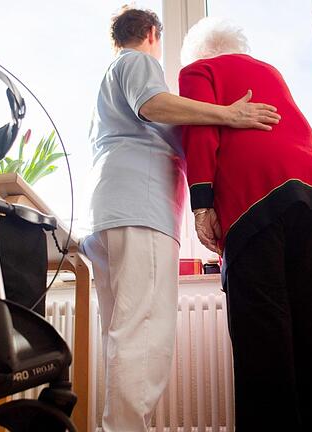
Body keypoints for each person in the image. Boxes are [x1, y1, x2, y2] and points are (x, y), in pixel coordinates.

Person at [81, 7, 280, 431]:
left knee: (123, 336)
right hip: (140, 212)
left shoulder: (107, 84)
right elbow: (154, 105)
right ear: (153, 33)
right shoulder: (137, 62)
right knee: (146, 337)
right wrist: (229, 114)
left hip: (109, 214)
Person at [177, 17, 312, 431]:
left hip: (256, 201)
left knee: (264, 343)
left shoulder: (198, 72)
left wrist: (202, 203)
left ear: (198, 53)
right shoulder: (269, 71)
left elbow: (201, 131)